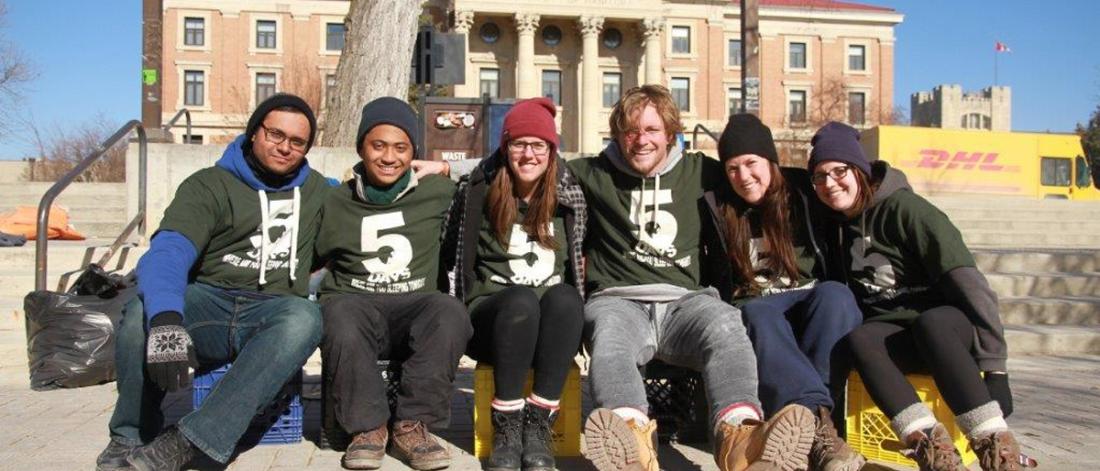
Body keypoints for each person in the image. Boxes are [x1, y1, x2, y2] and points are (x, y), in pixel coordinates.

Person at [417, 85, 815, 471]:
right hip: (618, 299)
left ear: (671, 134)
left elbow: (751, 172)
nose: (640, 140)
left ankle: (740, 440)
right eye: (630, 131)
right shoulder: (594, 173)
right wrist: (449, 166)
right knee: (608, 339)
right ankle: (631, 444)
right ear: (618, 135)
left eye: (652, 130)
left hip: (687, 302)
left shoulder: (700, 171)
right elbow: (529, 157)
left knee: (727, 325)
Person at [96, 94, 329, 471]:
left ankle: (190, 441)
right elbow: (169, 251)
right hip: (210, 303)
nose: (285, 147)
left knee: (305, 315)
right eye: (275, 134)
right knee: (142, 311)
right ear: (254, 132)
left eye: (297, 142)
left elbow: (367, 205)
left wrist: (438, 171)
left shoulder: (319, 192)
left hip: (270, 312)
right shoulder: (209, 185)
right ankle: (130, 435)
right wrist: (168, 319)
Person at [807, 122, 1036, 471]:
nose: (829, 183)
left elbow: (971, 285)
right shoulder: (837, 226)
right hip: (898, 337)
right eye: (819, 176)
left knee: (932, 324)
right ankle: (930, 446)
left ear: (860, 169)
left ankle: (994, 445)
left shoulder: (909, 211)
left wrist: (996, 369)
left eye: (839, 171)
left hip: (948, 330)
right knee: (861, 338)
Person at [315, 97, 472, 471]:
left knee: (449, 311)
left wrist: (450, 166)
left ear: (413, 152)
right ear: (361, 148)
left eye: (401, 147)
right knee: (336, 312)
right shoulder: (334, 200)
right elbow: (310, 260)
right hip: (356, 308)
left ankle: (411, 426)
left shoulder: (438, 191)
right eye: (378, 145)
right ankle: (367, 429)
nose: (389, 157)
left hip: (415, 310)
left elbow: (502, 166)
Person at [709, 114, 865, 471]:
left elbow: (848, 183)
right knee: (757, 312)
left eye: (751, 163)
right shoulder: (721, 206)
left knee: (836, 295)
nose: (743, 176)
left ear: (771, 160)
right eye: (732, 168)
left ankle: (809, 422)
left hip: (808, 295)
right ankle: (821, 432)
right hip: (759, 303)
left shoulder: (804, 192)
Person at [442, 97, 587, 471]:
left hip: (550, 329)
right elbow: (450, 252)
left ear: (552, 151)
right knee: (520, 301)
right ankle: (505, 424)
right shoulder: (478, 190)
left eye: (538, 145)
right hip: (494, 319)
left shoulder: (570, 195)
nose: (528, 154)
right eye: (519, 144)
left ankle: (539, 422)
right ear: (504, 147)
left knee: (568, 298)